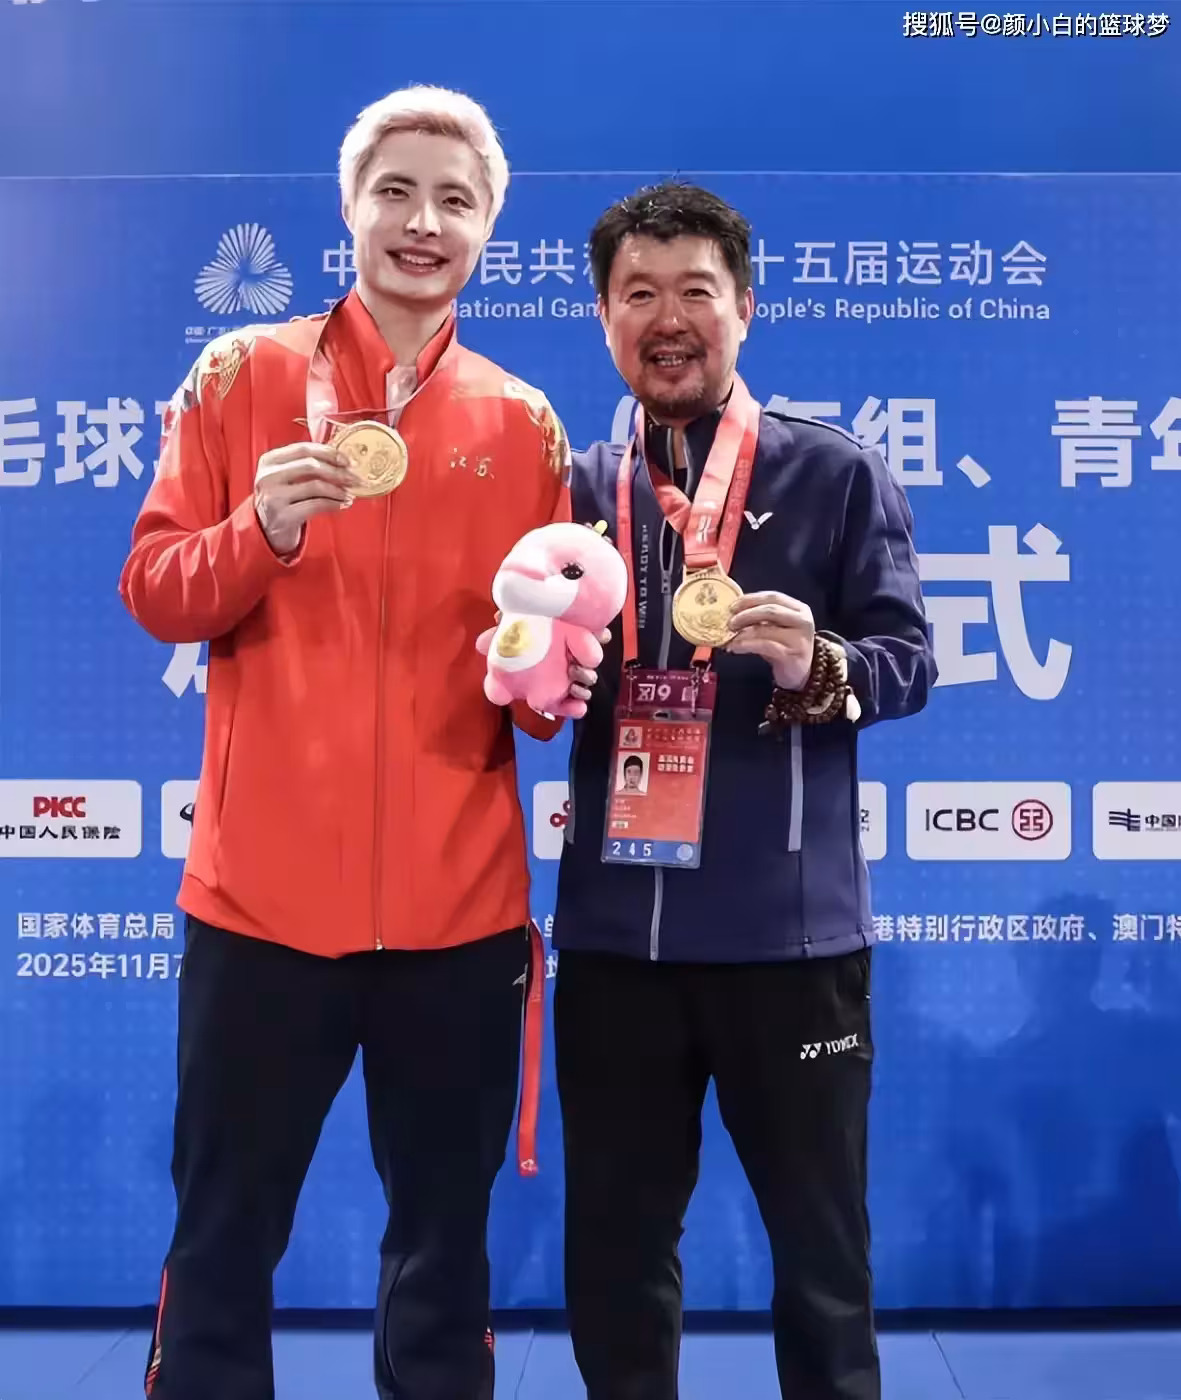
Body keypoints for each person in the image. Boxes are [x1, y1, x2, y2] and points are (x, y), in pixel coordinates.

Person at [119, 86, 596, 1400]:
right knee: (224, 1239)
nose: (423, 222)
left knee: (442, 1254)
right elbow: (157, 588)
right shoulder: (239, 378)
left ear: (488, 229)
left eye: (456, 200)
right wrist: (260, 530)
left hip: (458, 917)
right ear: (349, 208)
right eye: (397, 191)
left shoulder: (523, 424)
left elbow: (536, 693)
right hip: (261, 905)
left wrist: (550, 679)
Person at [552, 182, 937, 1400]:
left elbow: (910, 661)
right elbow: (523, 676)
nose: (667, 317)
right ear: (605, 315)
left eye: (695, 292)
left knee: (822, 1262)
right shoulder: (576, 489)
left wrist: (822, 664)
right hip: (615, 942)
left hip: (792, 944)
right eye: (638, 293)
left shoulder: (836, 472)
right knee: (616, 1256)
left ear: (746, 307)